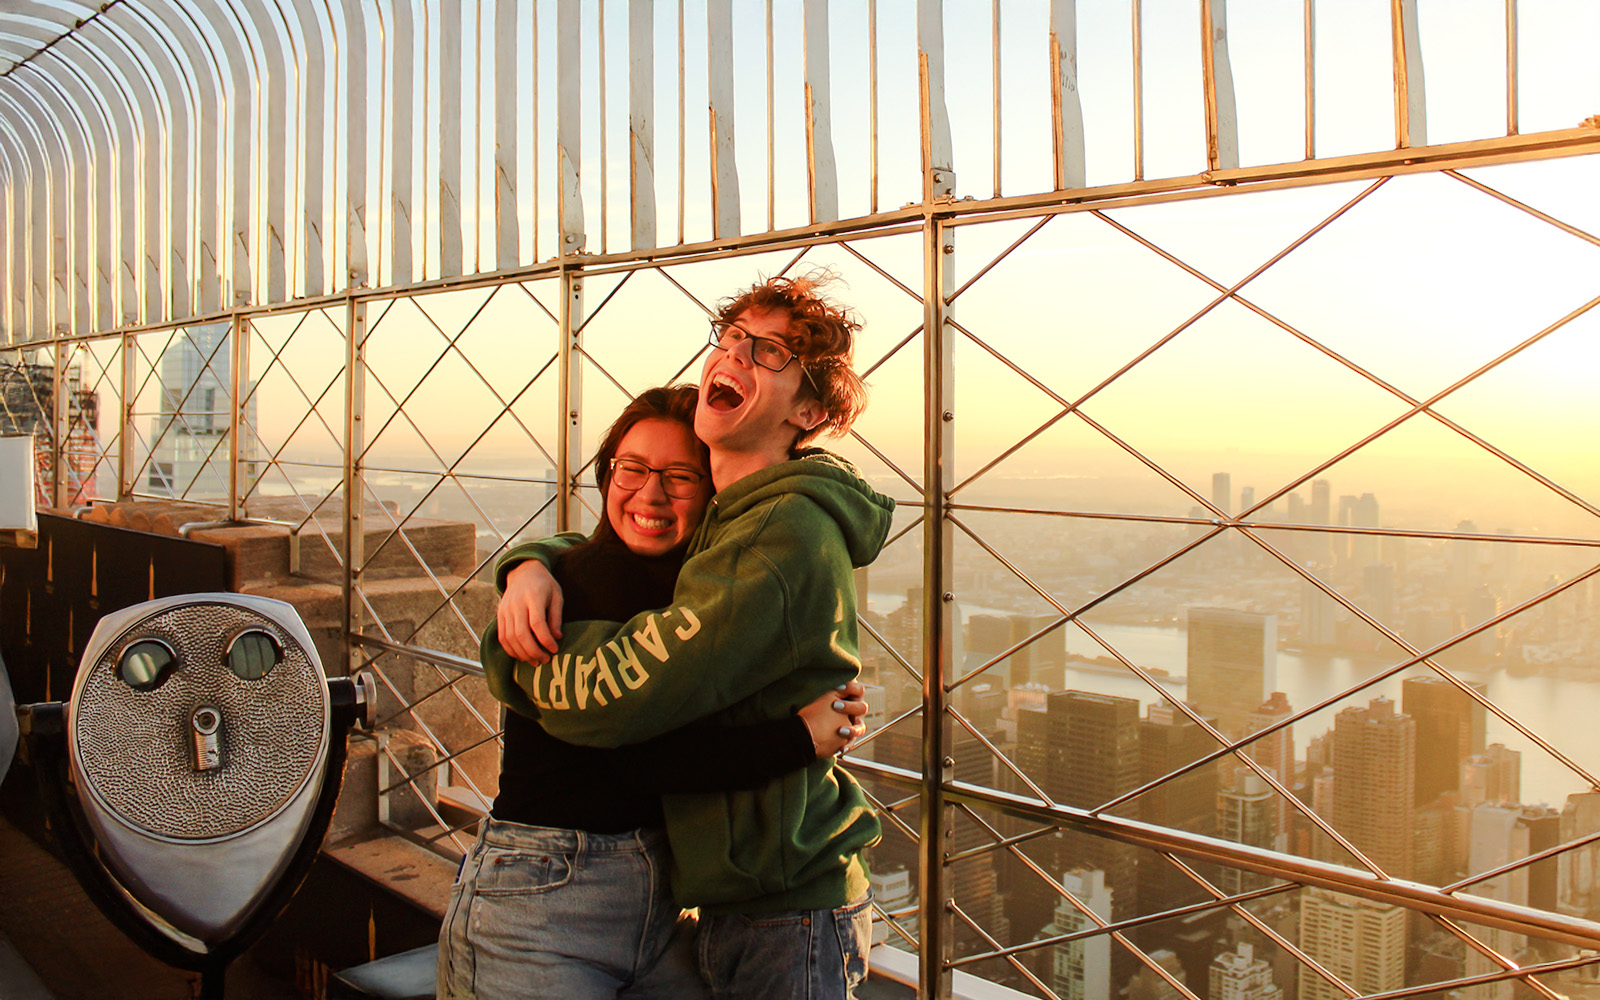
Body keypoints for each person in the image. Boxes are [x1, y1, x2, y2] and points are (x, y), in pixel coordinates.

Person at [484, 272, 892, 1000]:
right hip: (730, 900)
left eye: (770, 352)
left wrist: (509, 658)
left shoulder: (778, 531)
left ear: (808, 410)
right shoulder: (730, 522)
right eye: (733, 336)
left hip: (788, 904)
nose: (735, 354)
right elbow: (617, 547)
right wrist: (531, 565)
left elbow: (620, 704)